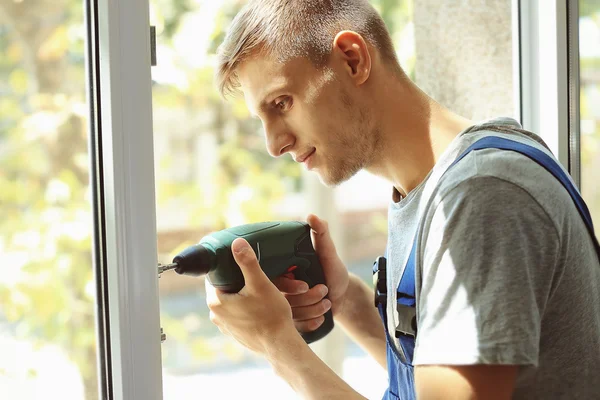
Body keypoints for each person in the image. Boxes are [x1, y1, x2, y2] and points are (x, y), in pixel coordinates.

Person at [203, 0, 600, 399]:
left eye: (282, 103)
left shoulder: (480, 196)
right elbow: (430, 381)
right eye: (262, 119)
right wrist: (346, 303)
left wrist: (279, 348)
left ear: (352, 59)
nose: (274, 144)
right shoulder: (435, 187)